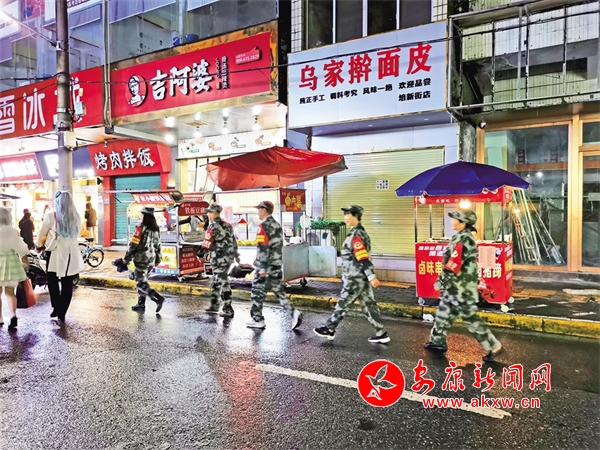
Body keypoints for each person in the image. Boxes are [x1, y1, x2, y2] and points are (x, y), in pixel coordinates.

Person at [424, 210, 504, 362]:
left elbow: (453, 264)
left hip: (462, 288)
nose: (452, 221)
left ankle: (494, 346)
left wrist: (441, 282)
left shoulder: (464, 239)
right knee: (443, 313)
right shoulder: (460, 237)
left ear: (463, 223)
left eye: (456, 219)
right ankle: (437, 341)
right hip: (454, 286)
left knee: (470, 318)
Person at [313, 205, 390, 343]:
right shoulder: (356, 233)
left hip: (355, 277)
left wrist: (371, 276)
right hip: (359, 276)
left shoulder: (357, 235)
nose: (345, 218)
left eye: (348, 214)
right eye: (345, 214)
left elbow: (362, 256)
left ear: (356, 216)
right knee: (369, 305)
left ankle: (329, 328)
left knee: (344, 302)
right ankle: (381, 332)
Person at [247, 201, 303, 330]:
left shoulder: (263, 226)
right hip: (276, 265)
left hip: (265, 266)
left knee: (256, 292)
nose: (258, 212)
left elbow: (263, 247)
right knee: (279, 291)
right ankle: (293, 312)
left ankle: (257, 319)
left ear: (264, 210)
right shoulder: (277, 225)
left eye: (259, 209)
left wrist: (262, 267)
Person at [37, 191, 85, 322]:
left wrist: (38, 245)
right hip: (71, 253)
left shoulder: (51, 216)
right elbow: (77, 233)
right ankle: (62, 311)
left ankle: (56, 306)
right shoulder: (76, 216)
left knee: (51, 279)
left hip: (55, 252)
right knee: (67, 282)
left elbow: (42, 233)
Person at [124, 206, 165, 313]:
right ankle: (141, 304)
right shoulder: (155, 229)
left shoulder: (140, 228)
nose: (140, 215)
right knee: (143, 280)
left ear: (145, 216)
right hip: (151, 260)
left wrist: (126, 259)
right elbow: (158, 245)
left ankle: (157, 298)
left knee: (140, 283)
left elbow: (133, 245)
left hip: (141, 259)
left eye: (142, 214)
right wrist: (158, 259)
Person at [201, 205, 239, 318]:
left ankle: (228, 309)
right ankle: (214, 305)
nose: (208, 214)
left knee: (223, 282)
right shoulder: (228, 225)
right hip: (228, 258)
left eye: (209, 212)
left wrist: (201, 254)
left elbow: (207, 243)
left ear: (214, 213)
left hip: (218, 258)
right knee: (216, 281)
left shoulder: (212, 226)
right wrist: (236, 255)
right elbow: (233, 241)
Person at [0, 207, 29, 329]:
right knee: (10, 292)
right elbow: (20, 246)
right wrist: (24, 258)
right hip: (11, 263)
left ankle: (0, 317)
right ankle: (13, 315)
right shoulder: (13, 231)